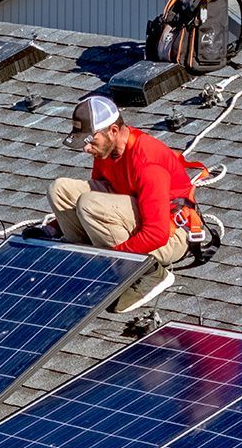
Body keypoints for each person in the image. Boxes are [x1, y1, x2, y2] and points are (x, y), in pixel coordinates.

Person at [49, 94, 192, 311]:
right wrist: (52, 228)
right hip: (136, 221)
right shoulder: (106, 150)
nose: (86, 149)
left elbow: (157, 234)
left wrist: (114, 259)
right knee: (59, 189)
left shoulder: (147, 162)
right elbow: (98, 193)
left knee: (90, 204)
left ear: (113, 131)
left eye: (90, 141)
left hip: (171, 238)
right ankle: (90, 262)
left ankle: (148, 275)